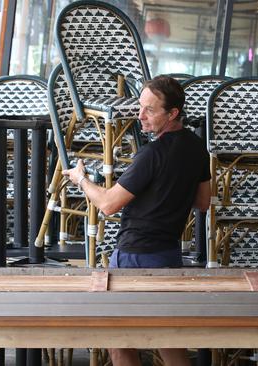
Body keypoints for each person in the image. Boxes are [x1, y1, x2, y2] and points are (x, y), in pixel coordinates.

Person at [64, 75, 210, 366]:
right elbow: (202, 202)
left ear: (173, 114)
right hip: (169, 256)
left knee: (118, 343)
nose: (140, 116)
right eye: (141, 107)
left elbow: (107, 205)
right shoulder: (196, 147)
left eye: (150, 110)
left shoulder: (151, 154)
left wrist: (80, 179)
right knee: (169, 342)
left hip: (135, 257)